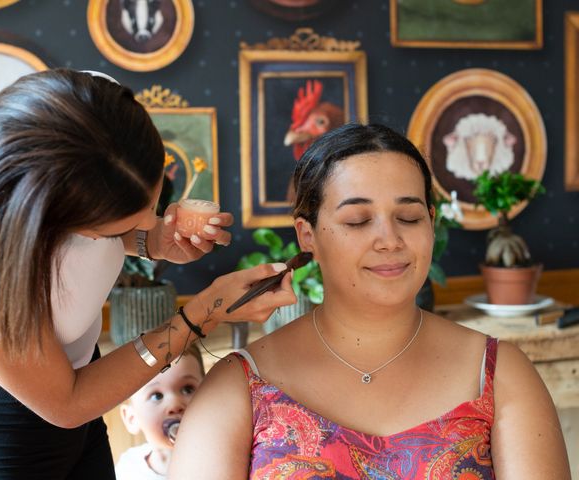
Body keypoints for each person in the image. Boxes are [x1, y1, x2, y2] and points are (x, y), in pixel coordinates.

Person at [0, 68, 296, 479]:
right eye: (121, 222)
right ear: (47, 221)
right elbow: (70, 403)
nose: (150, 219)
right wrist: (203, 313)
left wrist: (155, 242)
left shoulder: (98, 112)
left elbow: (108, 235)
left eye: (153, 199)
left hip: (84, 411)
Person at [169, 123, 571, 479]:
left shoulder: (500, 376)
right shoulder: (237, 387)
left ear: (431, 222)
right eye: (358, 220)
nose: (390, 239)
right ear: (307, 235)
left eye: (410, 218)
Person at [115, 343, 205, 479]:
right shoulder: (128, 468)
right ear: (132, 418)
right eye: (156, 396)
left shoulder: (221, 462)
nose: (175, 405)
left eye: (188, 389)